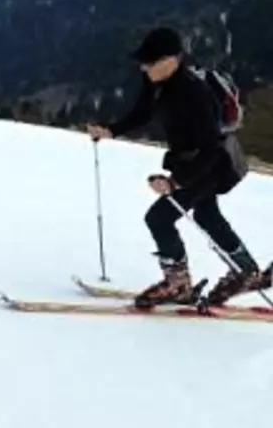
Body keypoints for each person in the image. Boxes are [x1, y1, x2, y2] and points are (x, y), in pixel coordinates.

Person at [86, 26, 270, 308]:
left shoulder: (193, 93)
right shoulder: (157, 82)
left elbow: (211, 147)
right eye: (143, 60)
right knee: (208, 216)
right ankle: (247, 272)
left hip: (209, 164)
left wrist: (175, 183)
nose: (143, 66)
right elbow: (143, 111)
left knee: (159, 218)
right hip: (190, 160)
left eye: (150, 61)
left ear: (172, 60)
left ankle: (178, 285)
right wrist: (112, 130)